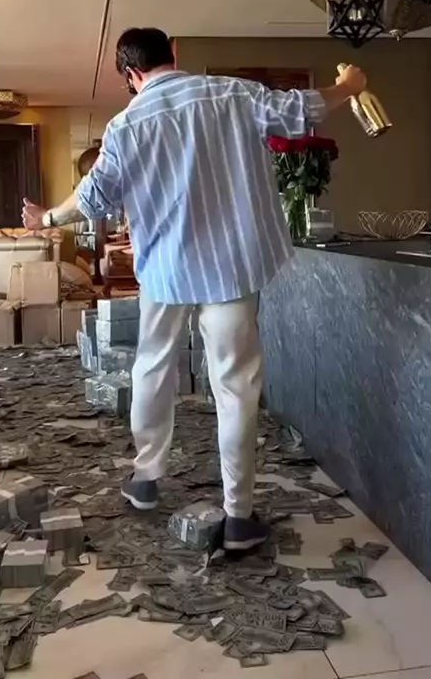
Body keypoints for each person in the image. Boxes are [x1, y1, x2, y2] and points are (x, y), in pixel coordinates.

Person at [23, 27, 366, 551]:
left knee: (152, 368)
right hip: (231, 268)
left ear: (130, 75)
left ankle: (145, 480)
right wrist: (350, 85)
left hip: (165, 272)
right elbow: (303, 110)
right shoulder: (232, 93)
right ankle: (239, 517)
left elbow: (90, 198)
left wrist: (45, 217)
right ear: (172, 56)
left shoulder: (126, 125)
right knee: (235, 385)